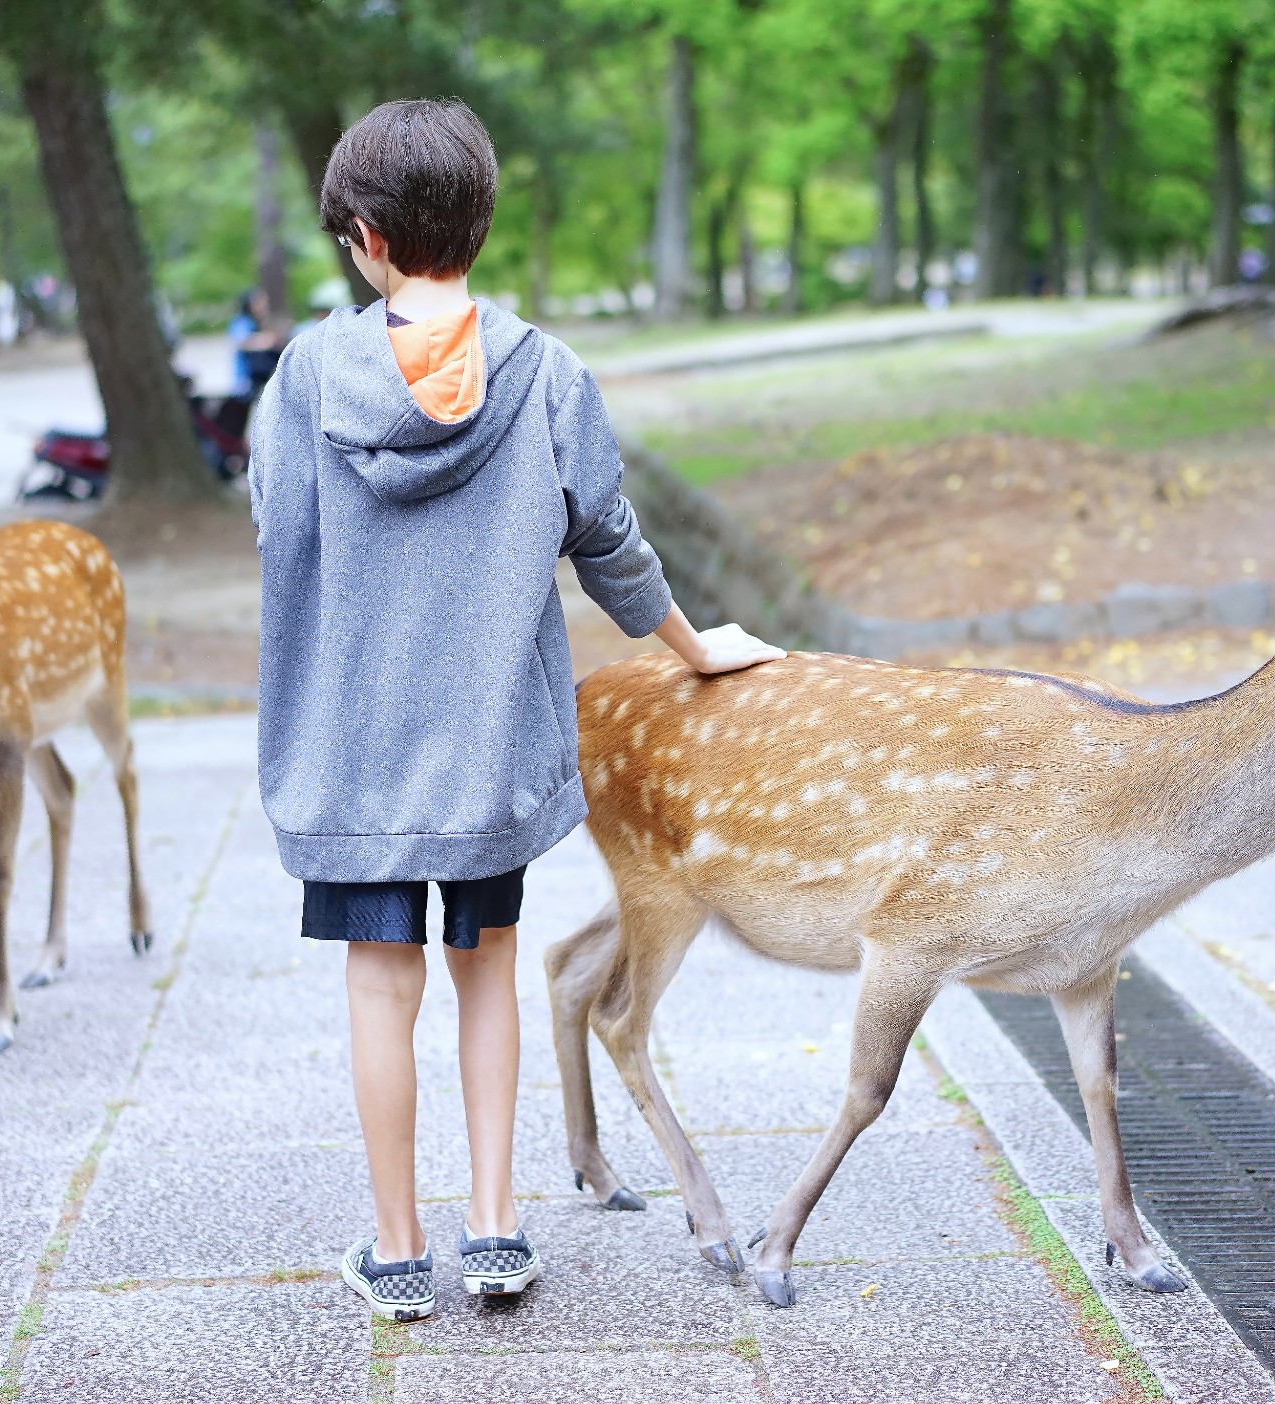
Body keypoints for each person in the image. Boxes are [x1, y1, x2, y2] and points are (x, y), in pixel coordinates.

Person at [248, 98, 783, 1324]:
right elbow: (609, 546)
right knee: (482, 972)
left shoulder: (306, 378)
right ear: (475, 228)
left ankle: (397, 1253)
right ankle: (493, 1231)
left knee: (379, 985)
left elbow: (280, 529)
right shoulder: (546, 375)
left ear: (367, 238)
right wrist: (698, 653)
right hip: (488, 750)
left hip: (351, 756)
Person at [228, 288, 284, 396]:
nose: (264, 306)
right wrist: (268, 340)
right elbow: (243, 341)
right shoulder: (242, 322)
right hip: (245, 380)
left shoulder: (255, 323)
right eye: (259, 302)